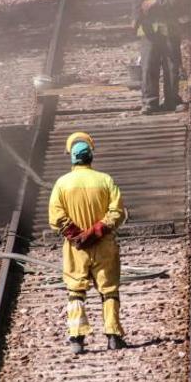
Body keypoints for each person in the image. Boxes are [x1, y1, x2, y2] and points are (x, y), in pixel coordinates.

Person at [49, 132, 127, 354]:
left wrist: (77, 236)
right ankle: (113, 336)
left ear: (72, 158)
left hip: (76, 249)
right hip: (104, 246)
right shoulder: (105, 180)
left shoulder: (62, 184)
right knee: (109, 290)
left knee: (76, 291)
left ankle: (77, 339)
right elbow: (117, 213)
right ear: (91, 156)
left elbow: (56, 218)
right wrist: (95, 232)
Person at [132, 0, 185, 114]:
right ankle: (150, 102)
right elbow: (137, 9)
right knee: (148, 67)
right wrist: (135, 20)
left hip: (169, 33)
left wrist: (155, 3)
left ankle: (171, 100)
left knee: (171, 67)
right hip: (149, 34)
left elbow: (176, 4)